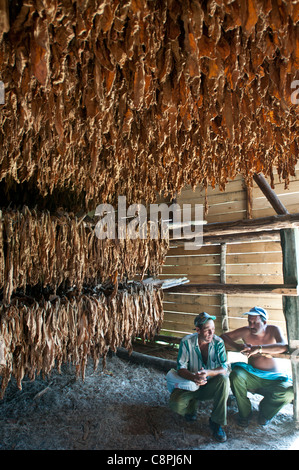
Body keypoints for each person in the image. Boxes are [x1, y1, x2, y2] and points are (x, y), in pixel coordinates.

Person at [221, 306, 294, 427]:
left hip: (274, 378)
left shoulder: (273, 329)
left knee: (289, 392)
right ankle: (245, 413)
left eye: (255, 322)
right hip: (252, 375)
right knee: (236, 375)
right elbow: (224, 336)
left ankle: (265, 413)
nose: (251, 325)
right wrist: (237, 347)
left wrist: (259, 349)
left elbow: (284, 346)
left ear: (264, 322)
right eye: (249, 322)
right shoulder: (246, 331)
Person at [166, 312, 230, 442]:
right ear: (198, 330)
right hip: (190, 384)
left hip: (209, 385)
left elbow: (224, 367)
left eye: (213, 329)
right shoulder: (186, 342)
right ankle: (191, 407)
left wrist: (207, 373)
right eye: (207, 330)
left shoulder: (218, 343)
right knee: (175, 405)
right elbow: (181, 368)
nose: (211, 333)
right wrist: (194, 378)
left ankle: (216, 422)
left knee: (224, 380)